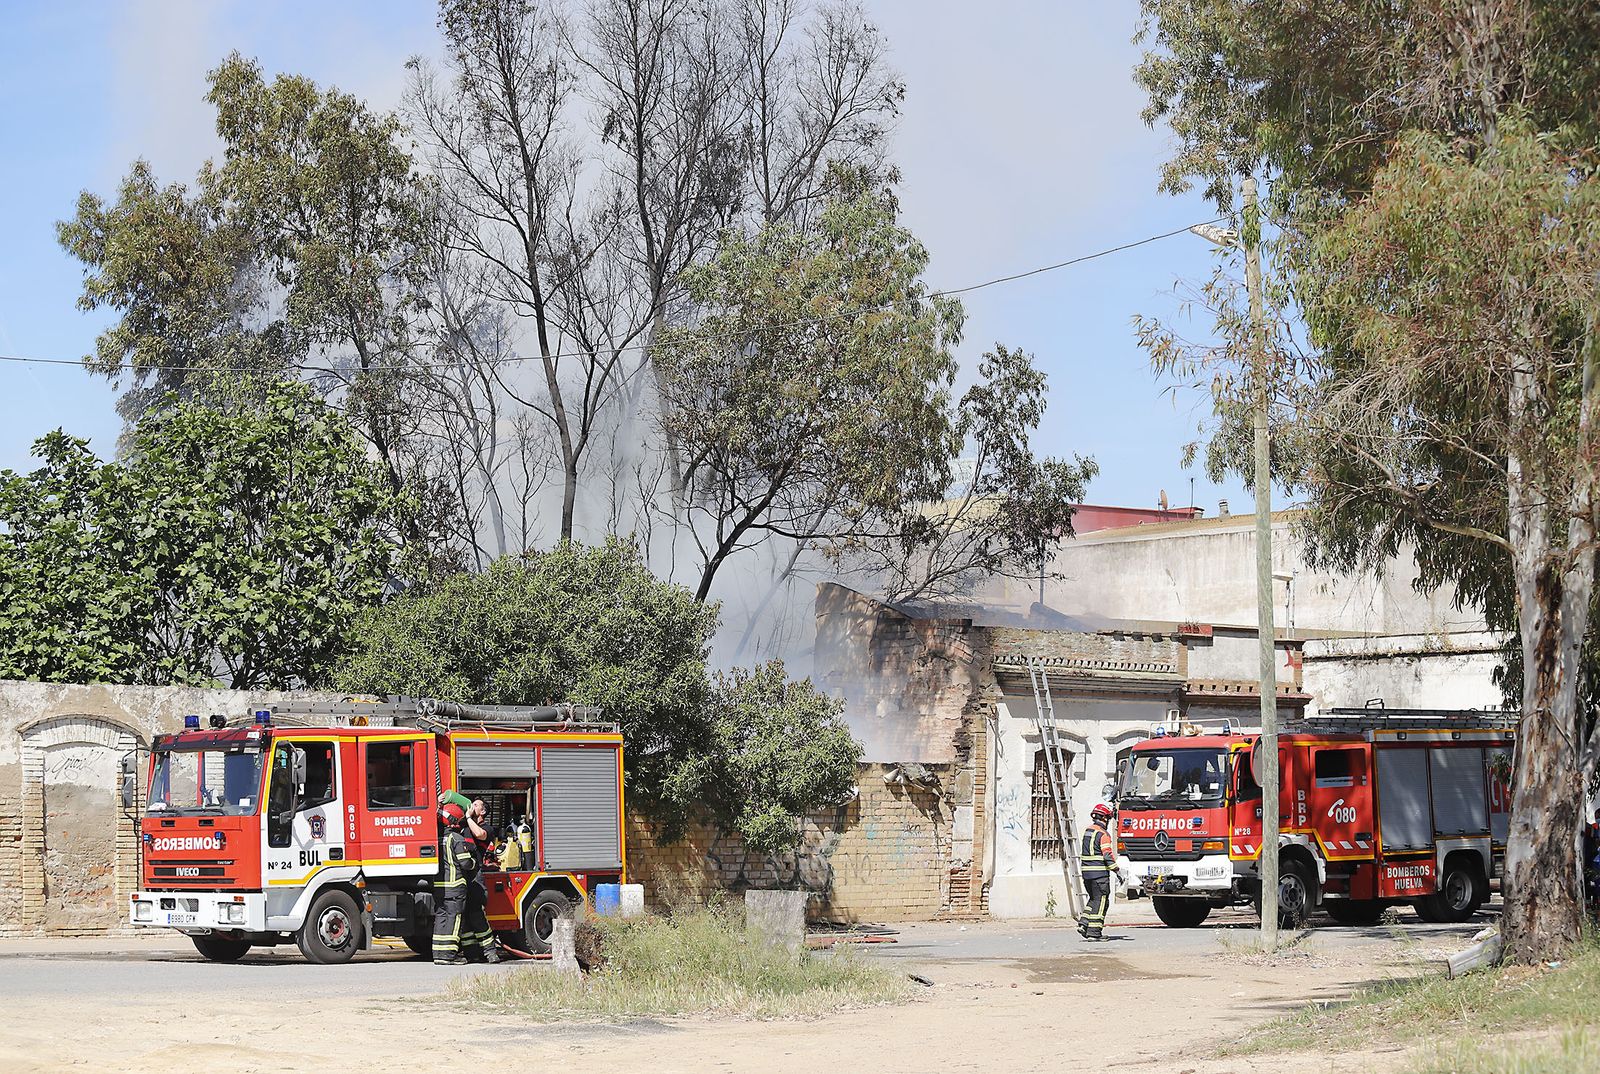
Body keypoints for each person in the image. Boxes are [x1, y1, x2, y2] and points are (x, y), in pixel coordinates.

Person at [432, 802, 475, 965]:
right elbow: (465, 863)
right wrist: (473, 861)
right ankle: (449, 955)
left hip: (439, 888)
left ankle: (438, 954)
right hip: (455, 887)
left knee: (441, 919)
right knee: (454, 919)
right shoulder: (456, 839)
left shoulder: (438, 838)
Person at [1077, 802, 1122, 941]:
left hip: (1086, 874)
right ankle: (1094, 932)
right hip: (1099, 875)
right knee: (1102, 902)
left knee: (1093, 899)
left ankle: (1084, 923)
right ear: (1104, 819)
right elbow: (1107, 855)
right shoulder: (1104, 835)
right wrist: (1117, 870)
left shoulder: (1088, 831)